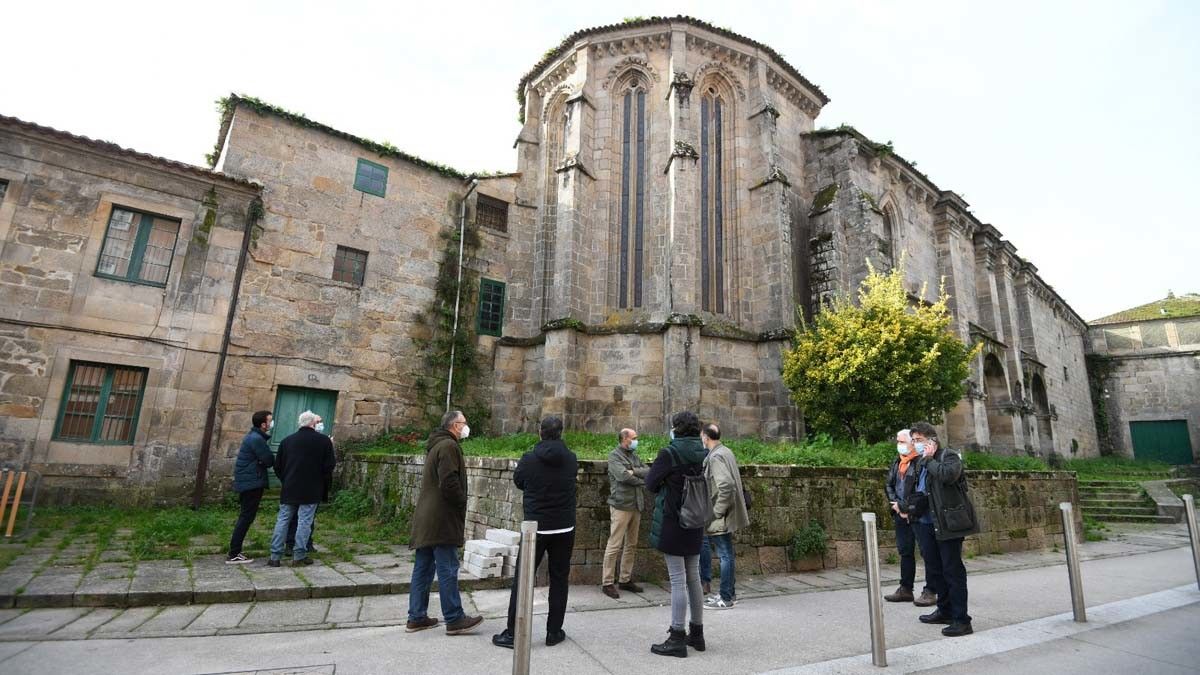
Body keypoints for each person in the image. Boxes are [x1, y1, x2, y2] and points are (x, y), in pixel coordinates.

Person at [492, 416, 579, 649]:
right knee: (559, 578)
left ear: (540, 432)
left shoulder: (529, 459)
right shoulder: (571, 459)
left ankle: (513, 632)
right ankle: (554, 631)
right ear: (561, 433)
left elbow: (520, 481)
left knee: (523, 579)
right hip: (564, 526)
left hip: (536, 528)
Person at [406, 410, 484, 635]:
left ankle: (416, 616)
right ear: (455, 426)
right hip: (441, 517)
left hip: (427, 517)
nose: (466, 427)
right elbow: (449, 481)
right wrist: (461, 502)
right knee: (448, 567)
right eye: (464, 423)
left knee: (423, 568)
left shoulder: (436, 445)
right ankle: (454, 617)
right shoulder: (449, 447)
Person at [646, 411, 708, 658]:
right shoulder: (704, 453)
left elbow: (650, 484)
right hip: (695, 520)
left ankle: (677, 636)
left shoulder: (669, 453)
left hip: (673, 521)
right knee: (693, 577)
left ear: (676, 429)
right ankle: (698, 633)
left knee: (677, 579)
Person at [908, 421, 978, 637]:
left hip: (949, 523)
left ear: (932, 441)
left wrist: (929, 459)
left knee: (952, 570)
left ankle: (961, 619)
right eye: (913, 441)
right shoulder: (921, 462)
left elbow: (948, 475)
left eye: (918, 440)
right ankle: (945, 610)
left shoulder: (949, 456)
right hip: (927, 523)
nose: (915, 445)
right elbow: (921, 490)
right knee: (936, 570)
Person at [269, 410, 335, 567]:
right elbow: (329, 465)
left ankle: (275, 556)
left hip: (290, 486)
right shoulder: (324, 441)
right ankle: (299, 555)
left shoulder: (287, 441)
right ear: (313, 423)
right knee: (305, 521)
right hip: (312, 487)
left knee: (283, 519)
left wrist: (286, 479)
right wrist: (320, 481)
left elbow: (278, 466)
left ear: (300, 423)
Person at [883, 428, 937, 606]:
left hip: (917, 514)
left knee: (927, 552)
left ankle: (931, 590)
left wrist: (909, 509)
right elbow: (889, 485)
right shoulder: (898, 462)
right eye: (898, 442)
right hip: (901, 512)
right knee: (905, 551)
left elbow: (921, 491)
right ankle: (905, 588)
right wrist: (897, 506)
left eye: (903, 442)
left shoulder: (920, 462)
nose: (900, 445)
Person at [698, 423, 749, 610]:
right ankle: (729, 594)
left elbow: (726, 485)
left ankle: (726, 598)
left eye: (701, 436)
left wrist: (716, 512)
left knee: (725, 555)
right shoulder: (725, 451)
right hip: (727, 513)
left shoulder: (716, 457)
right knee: (727, 553)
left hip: (721, 515)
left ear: (705, 436)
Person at [601, 427, 649, 599]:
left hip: (636, 504)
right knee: (614, 544)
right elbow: (622, 477)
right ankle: (607, 582)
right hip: (621, 505)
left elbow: (648, 471)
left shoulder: (633, 456)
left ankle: (625, 579)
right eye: (634, 438)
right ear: (625, 439)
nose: (636, 440)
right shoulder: (614, 456)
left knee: (631, 544)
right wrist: (639, 480)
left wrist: (634, 472)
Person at [226, 410, 274, 564]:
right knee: (246, 517)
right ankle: (234, 553)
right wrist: (261, 462)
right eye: (270, 421)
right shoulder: (256, 439)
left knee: (246, 516)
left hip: (249, 481)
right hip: (252, 482)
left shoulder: (254, 437)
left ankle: (235, 551)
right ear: (263, 424)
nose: (271, 423)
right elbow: (269, 460)